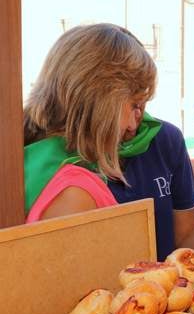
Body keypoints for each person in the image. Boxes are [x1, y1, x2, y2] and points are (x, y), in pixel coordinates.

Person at [23, 23, 155, 222]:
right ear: (106, 102)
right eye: (134, 105)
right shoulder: (76, 191)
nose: (132, 125)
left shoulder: (29, 159)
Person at [109, 105, 194, 260]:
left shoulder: (167, 139)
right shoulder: (66, 155)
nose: (134, 123)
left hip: (165, 279)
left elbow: (187, 234)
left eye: (140, 103)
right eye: (130, 105)